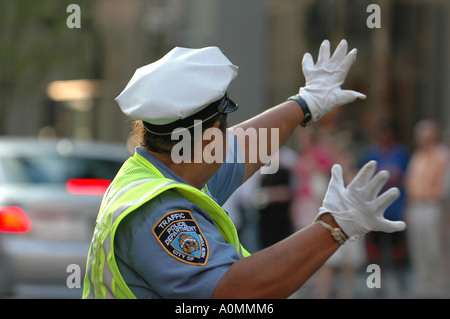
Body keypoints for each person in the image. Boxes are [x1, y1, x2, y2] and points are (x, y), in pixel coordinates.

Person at [82, 40, 406, 299]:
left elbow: (245, 146)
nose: (231, 136)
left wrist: (306, 103)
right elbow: (234, 292)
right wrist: (334, 227)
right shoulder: (157, 211)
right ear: (210, 138)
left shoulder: (158, 170)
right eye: (225, 127)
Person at [361, 120, 410, 296]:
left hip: (396, 210)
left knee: (398, 250)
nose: (386, 136)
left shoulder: (402, 153)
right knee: (376, 251)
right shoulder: (371, 154)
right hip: (375, 210)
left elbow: (407, 180)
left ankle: (400, 280)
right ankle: (376, 284)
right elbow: (363, 180)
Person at [405, 119, 450, 298]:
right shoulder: (417, 156)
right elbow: (410, 182)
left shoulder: (443, 155)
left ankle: (439, 289)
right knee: (418, 249)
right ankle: (423, 288)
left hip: (433, 207)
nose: (421, 139)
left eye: (424, 136)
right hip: (416, 206)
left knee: (435, 250)